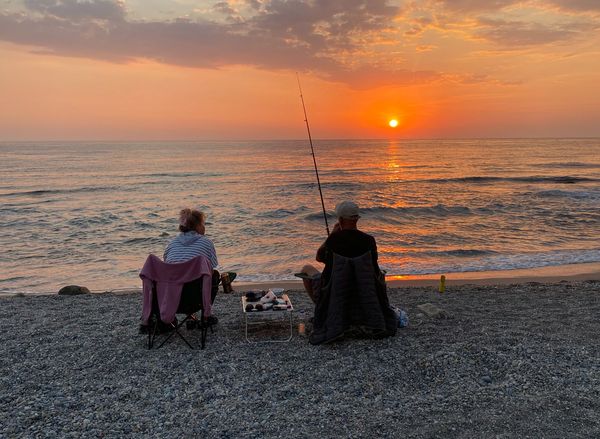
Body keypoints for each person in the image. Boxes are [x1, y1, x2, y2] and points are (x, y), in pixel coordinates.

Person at [300, 200, 382, 304]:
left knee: (306, 268)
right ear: (357, 219)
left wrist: (331, 235)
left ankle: (321, 307)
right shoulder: (369, 240)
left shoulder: (333, 240)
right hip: (362, 289)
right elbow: (374, 267)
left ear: (340, 220)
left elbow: (319, 258)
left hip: (334, 290)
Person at [163, 208, 220, 325]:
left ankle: (171, 319)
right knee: (214, 275)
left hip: (170, 299)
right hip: (195, 300)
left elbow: (167, 268)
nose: (204, 227)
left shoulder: (171, 244)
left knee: (177, 276)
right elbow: (211, 268)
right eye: (203, 224)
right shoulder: (207, 242)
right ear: (197, 226)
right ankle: (206, 316)